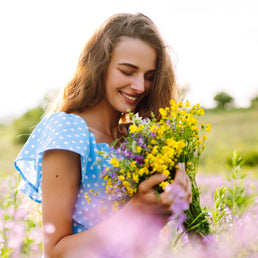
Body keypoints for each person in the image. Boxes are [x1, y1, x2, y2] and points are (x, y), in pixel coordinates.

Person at [14, 13, 192, 257]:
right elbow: (56, 251)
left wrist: (168, 203)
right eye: (128, 71)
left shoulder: (137, 139)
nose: (140, 86)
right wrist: (135, 211)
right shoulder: (69, 131)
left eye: (149, 76)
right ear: (100, 66)